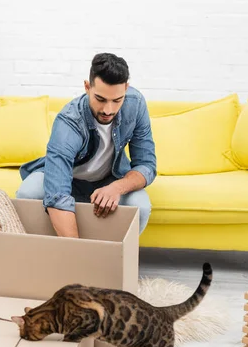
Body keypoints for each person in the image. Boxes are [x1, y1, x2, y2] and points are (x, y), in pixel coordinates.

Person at [16, 52, 157, 238]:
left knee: (141, 206)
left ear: (126, 89)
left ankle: (114, 260)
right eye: (100, 99)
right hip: (68, 180)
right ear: (87, 87)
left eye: (117, 100)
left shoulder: (136, 104)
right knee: (28, 193)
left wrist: (116, 188)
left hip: (110, 180)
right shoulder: (68, 121)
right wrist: (79, 255)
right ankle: (48, 253)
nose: (109, 110)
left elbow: (146, 165)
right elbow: (58, 194)